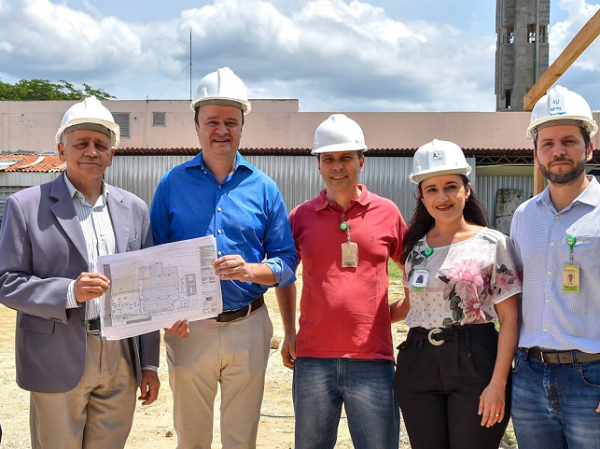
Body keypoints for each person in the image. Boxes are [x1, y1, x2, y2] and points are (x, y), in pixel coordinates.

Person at [150, 67, 298, 449]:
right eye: (212, 121)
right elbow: (154, 259)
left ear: (242, 127)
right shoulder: (171, 184)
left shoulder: (264, 188)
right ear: (196, 126)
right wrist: (166, 315)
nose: (221, 130)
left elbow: (286, 261)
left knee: (241, 438)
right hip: (190, 330)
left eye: (230, 122)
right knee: (191, 438)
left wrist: (251, 270)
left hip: (248, 326)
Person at [0, 97, 160, 449]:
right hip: (56, 354)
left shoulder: (135, 209)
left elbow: (146, 289)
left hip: (121, 355)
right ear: (61, 149)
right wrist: (69, 292)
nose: (91, 151)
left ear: (111, 154)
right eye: (81, 143)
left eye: (100, 144)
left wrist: (149, 363)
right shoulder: (26, 206)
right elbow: (7, 282)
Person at [275, 114, 406, 449]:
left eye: (346, 157)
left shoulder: (387, 213)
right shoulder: (301, 217)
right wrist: (289, 331)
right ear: (318, 165)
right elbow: (284, 276)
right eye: (328, 158)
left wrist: (395, 312)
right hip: (313, 359)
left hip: (372, 359)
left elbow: (413, 269)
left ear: (361, 161)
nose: (337, 166)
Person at [393, 139, 521, 449]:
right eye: (432, 189)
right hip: (418, 361)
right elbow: (411, 305)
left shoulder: (494, 244)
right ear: (422, 196)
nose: (443, 197)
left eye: (451, 186)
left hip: (475, 360)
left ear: (467, 189)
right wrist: (359, 318)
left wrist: (498, 383)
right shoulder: (415, 248)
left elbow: (510, 318)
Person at [510, 85, 600, 449]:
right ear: (536, 154)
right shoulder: (523, 216)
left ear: (589, 148)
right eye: (547, 143)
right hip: (529, 377)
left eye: (568, 141)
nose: (557, 151)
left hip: (592, 379)